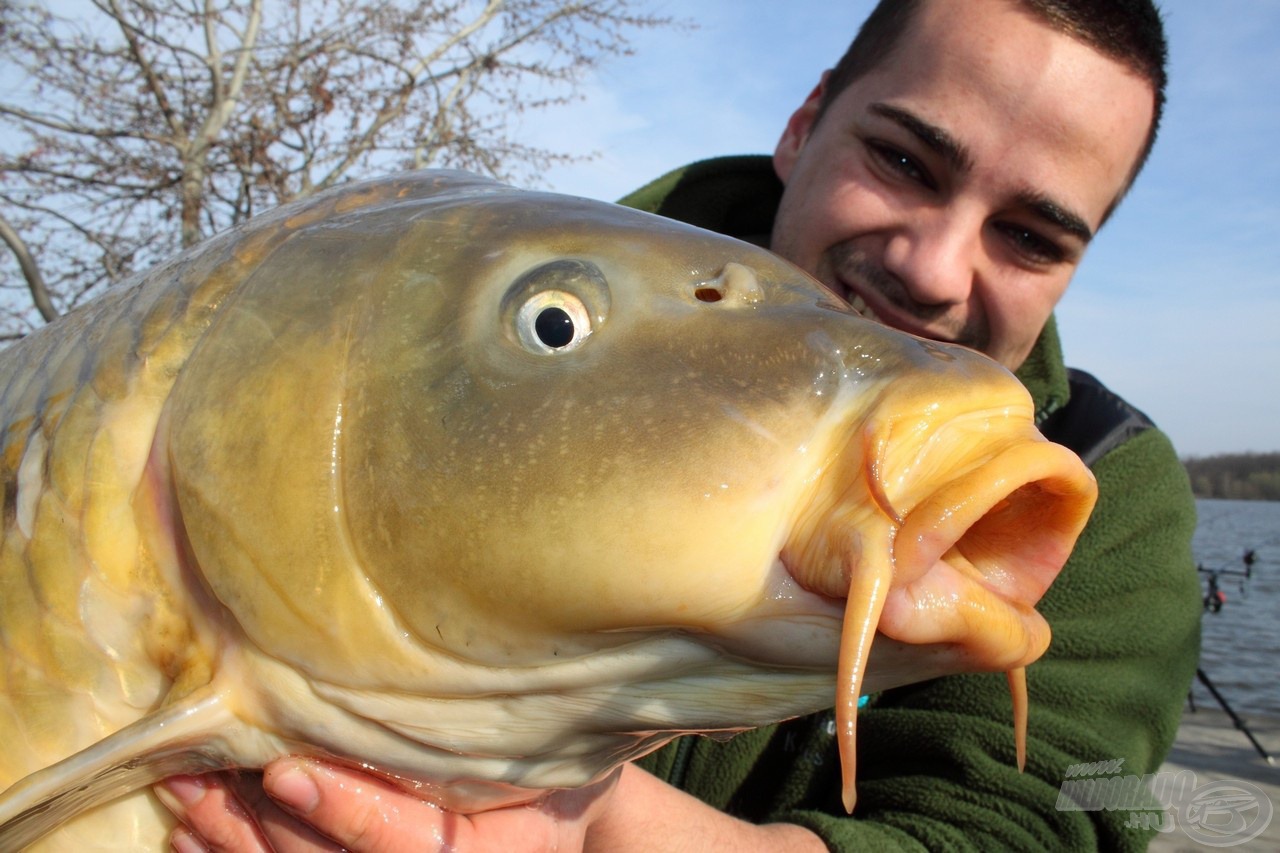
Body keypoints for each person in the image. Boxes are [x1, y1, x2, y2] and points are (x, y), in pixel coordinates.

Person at [157, 0, 1202, 849]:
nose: (931, 269)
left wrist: (598, 827)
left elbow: (1036, 822)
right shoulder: (457, 299)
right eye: (900, 163)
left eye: (1026, 236)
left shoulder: (1103, 486)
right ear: (803, 124)